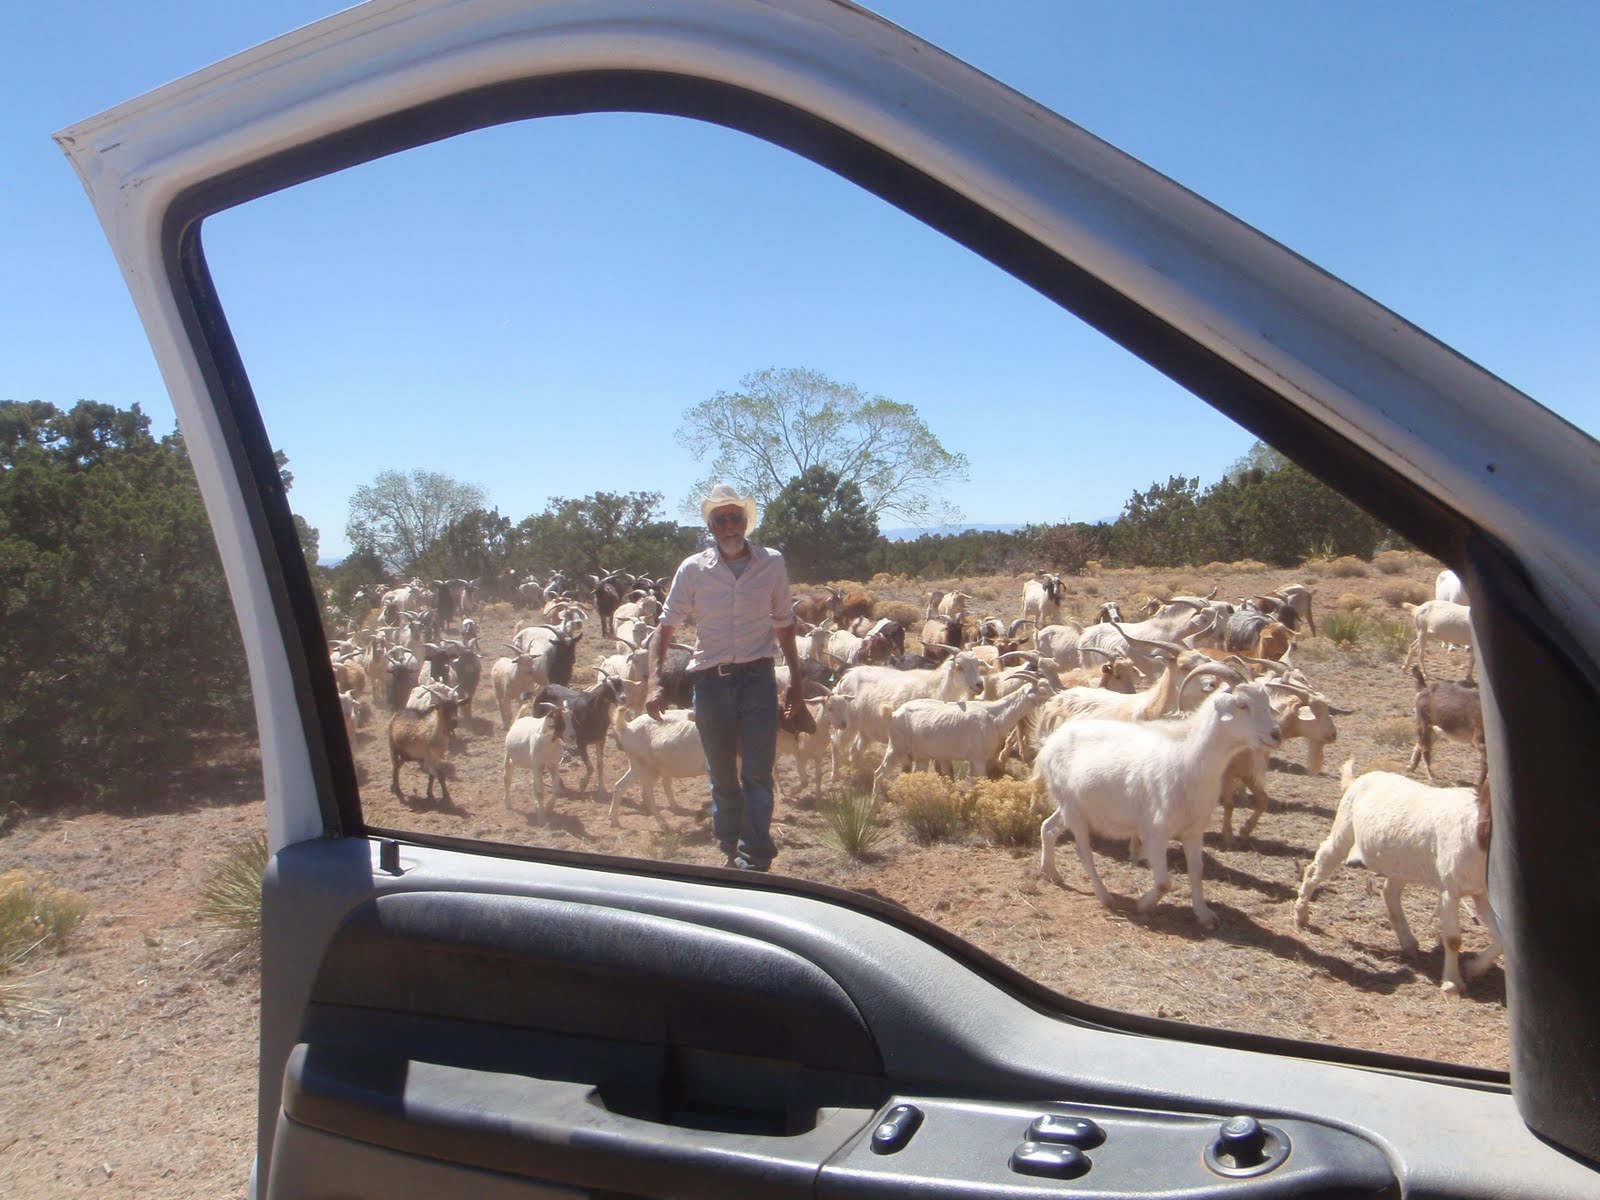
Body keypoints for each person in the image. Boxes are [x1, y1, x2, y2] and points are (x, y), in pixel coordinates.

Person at [647, 483, 805, 871]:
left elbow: (785, 623)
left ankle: (756, 858)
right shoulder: (693, 569)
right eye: (721, 519)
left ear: (746, 522)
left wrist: (796, 684)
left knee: (757, 772)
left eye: (736, 517)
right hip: (711, 682)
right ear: (711, 526)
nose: (729, 525)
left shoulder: (772, 563)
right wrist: (654, 682)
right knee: (721, 775)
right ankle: (731, 848)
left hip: (758, 678)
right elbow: (664, 629)